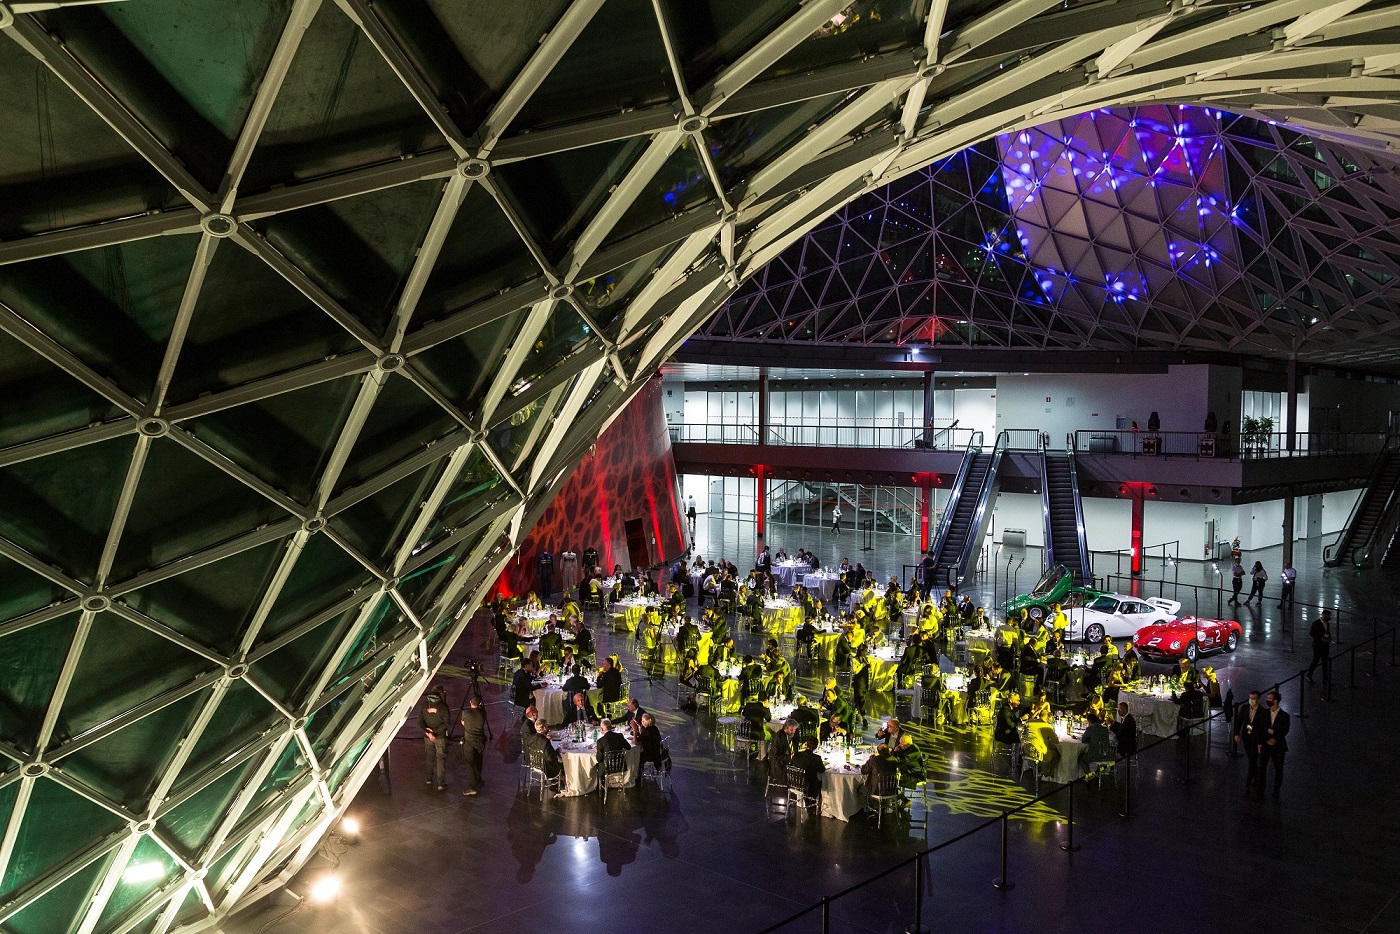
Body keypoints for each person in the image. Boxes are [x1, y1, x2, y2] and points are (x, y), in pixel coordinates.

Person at [419, 684, 452, 791]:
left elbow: (420, 722)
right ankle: (440, 783)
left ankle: (429, 779)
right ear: (441, 693)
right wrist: (436, 732)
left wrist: (429, 733)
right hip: (440, 737)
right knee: (440, 759)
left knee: (429, 757)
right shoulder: (443, 706)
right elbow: (446, 723)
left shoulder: (424, 705)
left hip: (427, 737)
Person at [1257, 690, 1290, 797]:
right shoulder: (1264, 713)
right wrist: (1262, 742)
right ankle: (1261, 789)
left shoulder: (1285, 716)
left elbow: (1284, 730)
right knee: (1262, 768)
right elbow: (1260, 728)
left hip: (1278, 746)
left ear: (1276, 701)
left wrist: (1275, 739)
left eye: (1270, 699)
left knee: (1278, 769)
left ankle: (1276, 791)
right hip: (1266, 745)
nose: (1267, 700)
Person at [459, 693, 491, 796]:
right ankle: (478, 780)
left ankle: (473, 786)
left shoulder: (465, 713)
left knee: (470, 763)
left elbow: (463, 723)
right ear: (480, 703)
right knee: (478, 761)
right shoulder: (483, 712)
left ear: (470, 702)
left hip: (469, 741)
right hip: (480, 741)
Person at [1233, 690, 1264, 768]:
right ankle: (1254, 771)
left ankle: (1252, 773)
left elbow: (1263, 728)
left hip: (1256, 738)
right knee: (1250, 756)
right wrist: (1236, 733)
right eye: (1250, 698)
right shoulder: (1245, 708)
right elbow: (1239, 721)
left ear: (1258, 699)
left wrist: (1260, 742)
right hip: (1246, 736)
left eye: (1253, 698)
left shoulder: (1262, 711)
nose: (1251, 700)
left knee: (1253, 758)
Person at [790, 738, 826, 802]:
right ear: (816, 747)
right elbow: (822, 770)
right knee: (822, 781)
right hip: (809, 786)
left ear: (806, 744)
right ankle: (817, 803)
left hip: (795, 783)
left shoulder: (796, 754)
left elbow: (792, 765)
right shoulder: (816, 758)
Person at [1307, 609, 1332, 687]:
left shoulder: (1327, 623)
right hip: (1317, 646)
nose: (1329, 617)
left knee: (1325, 662)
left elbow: (1327, 632)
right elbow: (1312, 633)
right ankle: (1309, 675)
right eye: (1328, 615)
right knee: (1316, 660)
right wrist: (1321, 638)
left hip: (1325, 646)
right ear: (1324, 615)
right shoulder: (1316, 623)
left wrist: (1329, 638)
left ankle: (1325, 679)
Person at [636, 713, 665, 780]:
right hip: (657, 753)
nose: (641, 722)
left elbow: (637, 742)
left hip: (650, 755)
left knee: (636, 756)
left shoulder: (646, 731)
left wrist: (635, 731)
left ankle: (638, 776)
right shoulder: (655, 728)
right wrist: (640, 728)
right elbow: (644, 737)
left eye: (643, 721)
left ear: (648, 721)